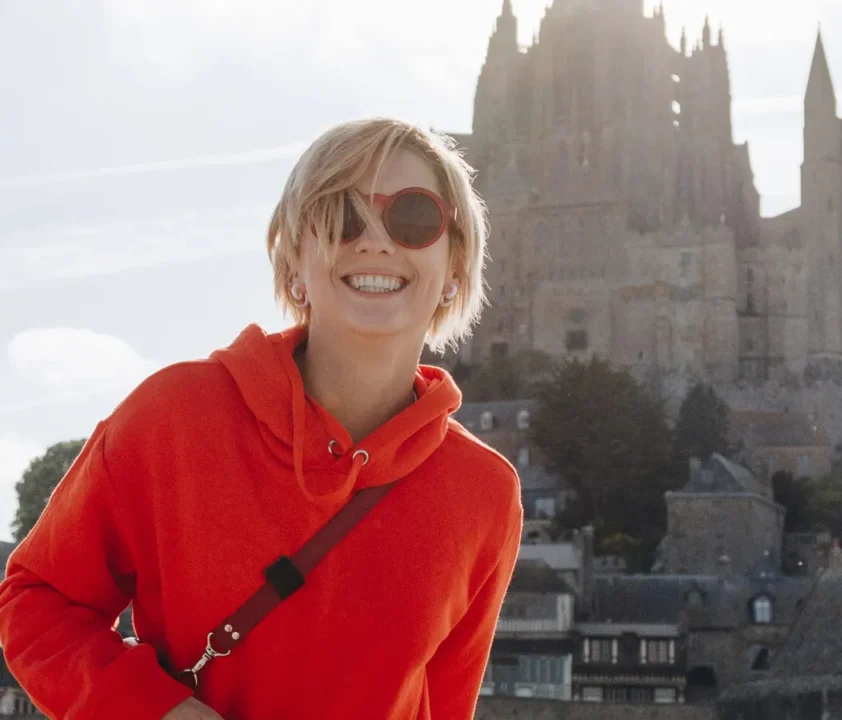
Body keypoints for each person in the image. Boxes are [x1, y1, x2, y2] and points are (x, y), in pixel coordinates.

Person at [0, 118, 522, 719]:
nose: (376, 241)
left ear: (455, 265)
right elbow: (36, 600)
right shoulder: (174, 416)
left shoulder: (485, 493)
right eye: (341, 215)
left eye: (414, 216)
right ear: (294, 258)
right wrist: (155, 711)